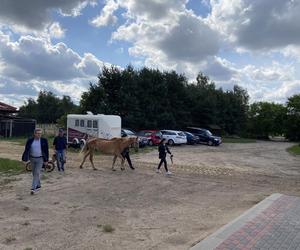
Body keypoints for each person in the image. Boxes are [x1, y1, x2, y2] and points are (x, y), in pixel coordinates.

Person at [22, 128, 49, 195]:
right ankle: (38, 185)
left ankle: (33, 188)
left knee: (37, 172)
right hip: (32, 158)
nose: (39, 135)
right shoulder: (30, 140)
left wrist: (46, 160)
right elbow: (26, 149)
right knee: (34, 173)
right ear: (34, 134)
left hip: (40, 159)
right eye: (37, 133)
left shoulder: (44, 140)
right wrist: (25, 159)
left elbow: (46, 151)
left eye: (40, 133)